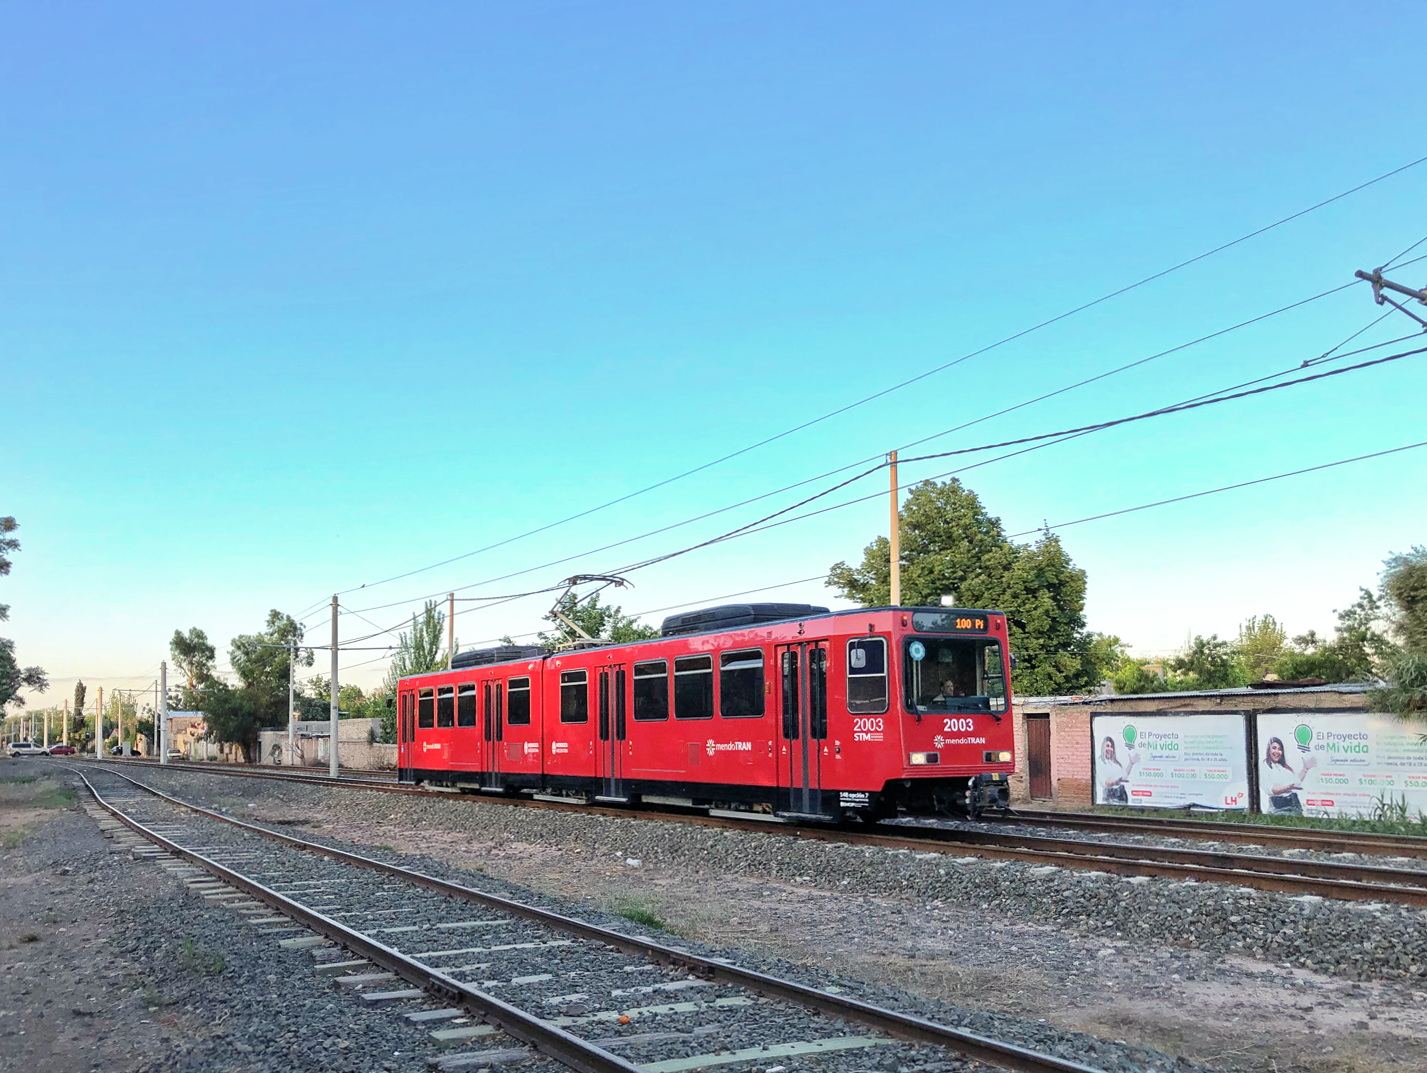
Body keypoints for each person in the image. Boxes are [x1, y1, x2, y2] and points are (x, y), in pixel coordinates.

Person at [1264, 736, 1314, 815]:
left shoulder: (1283, 767)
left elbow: (1296, 782)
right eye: (1274, 748)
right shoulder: (1265, 766)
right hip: (1279, 806)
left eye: (1279, 749)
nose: (1277, 751)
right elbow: (1271, 789)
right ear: (1268, 750)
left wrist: (1305, 769)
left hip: (1294, 803)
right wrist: (1287, 787)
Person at [1099, 736, 1136, 805]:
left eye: (1111, 747)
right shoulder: (1100, 762)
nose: (1110, 749)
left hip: (1122, 794)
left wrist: (1131, 764)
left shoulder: (1115, 763)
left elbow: (1124, 775)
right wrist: (1116, 781)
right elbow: (1105, 782)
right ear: (1103, 747)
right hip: (1110, 796)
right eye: (1107, 746)